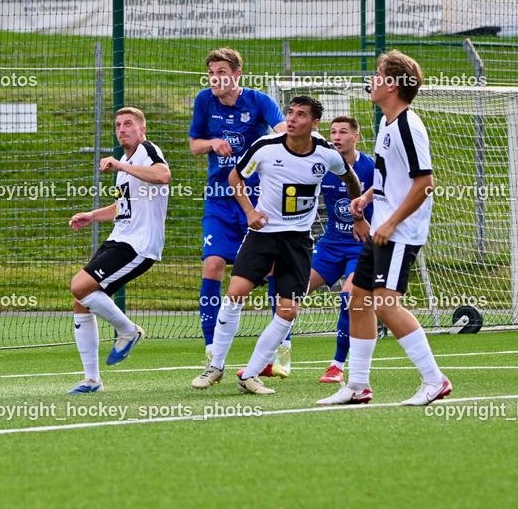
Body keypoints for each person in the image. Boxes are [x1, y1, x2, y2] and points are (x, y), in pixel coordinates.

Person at [192, 96, 362, 395]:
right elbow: (235, 177)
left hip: (298, 242)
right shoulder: (266, 147)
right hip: (263, 235)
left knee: (288, 311)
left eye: (301, 115)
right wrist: (249, 211)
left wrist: (358, 216)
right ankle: (215, 365)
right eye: (290, 113)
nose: (293, 119)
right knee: (235, 295)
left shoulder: (326, 153)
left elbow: (351, 179)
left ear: (314, 123)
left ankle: (251, 374)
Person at [319, 51, 451, 406]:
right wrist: (365, 198)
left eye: (378, 74)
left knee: (385, 304)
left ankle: (434, 380)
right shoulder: (387, 126)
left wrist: (391, 222)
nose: (372, 80)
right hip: (381, 228)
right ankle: (358, 385)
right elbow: (388, 178)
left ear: (391, 85)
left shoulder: (408, 125)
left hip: (399, 233)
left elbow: (424, 182)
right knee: (358, 300)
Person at [189, 48, 286, 369]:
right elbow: (194, 145)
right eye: (211, 72)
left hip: (256, 200)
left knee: (272, 269)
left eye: (221, 72)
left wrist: (275, 141)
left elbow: (283, 130)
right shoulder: (205, 100)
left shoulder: (258, 101)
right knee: (213, 265)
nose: (215, 78)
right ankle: (212, 350)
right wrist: (212, 144)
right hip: (218, 199)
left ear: (237, 75)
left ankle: (280, 351)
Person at [66, 108, 170, 393]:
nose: (122, 129)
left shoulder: (147, 150)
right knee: (81, 300)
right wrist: (92, 215)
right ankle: (92, 380)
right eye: (117, 125)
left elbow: (163, 176)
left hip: (138, 244)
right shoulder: (126, 161)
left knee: (79, 286)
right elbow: (124, 207)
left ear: (142, 128)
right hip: (120, 237)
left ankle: (128, 330)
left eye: (128, 124)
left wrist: (121, 167)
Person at [307, 116, 374, 383]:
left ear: (355, 137)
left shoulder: (371, 167)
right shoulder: (324, 165)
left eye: (343, 132)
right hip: (330, 244)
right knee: (289, 291)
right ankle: (275, 359)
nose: (336, 136)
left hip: (360, 247)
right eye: (333, 132)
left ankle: (337, 365)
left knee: (348, 298)